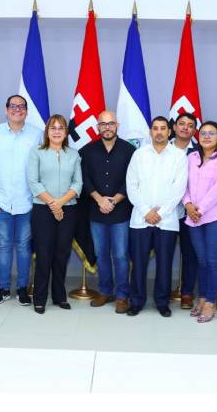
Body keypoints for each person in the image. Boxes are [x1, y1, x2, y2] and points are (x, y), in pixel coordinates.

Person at [126, 117, 188, 317]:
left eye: (163, 128)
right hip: (140, 219)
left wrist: (160, 214)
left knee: (164, 264)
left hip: (167, 220)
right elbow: (131, 186)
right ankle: (136, 301)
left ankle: (162, 302)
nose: (159, 132)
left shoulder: (179, 156)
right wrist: (146, 211)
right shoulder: (139, 154)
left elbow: (179, 189)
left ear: (169, 132)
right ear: (150, 132)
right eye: (155, 128)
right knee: (138, 263)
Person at [0, 95, 42, 306]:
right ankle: (3, 288)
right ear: (6, 109)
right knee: (5, 246)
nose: (17, 109)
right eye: (13, 106)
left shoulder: (37, 134)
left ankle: (23, 288)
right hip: (1, 201)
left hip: (27, 201)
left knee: (24, 246)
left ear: (26, 110)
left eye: (21, 106)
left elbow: (42, 167)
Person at [27, 114, 82, 314]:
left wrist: (60, 203)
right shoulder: (37, 153)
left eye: (61, 128)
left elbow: (78, 183)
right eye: (53, 128)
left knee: (61, 254)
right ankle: (40, 298)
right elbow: (34, 182)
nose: (57, 131)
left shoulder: (74, 155)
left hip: (68, 208)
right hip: (43, 210)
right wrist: (53, 203)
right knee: (43, 255)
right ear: (47, 132)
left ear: (66, 132)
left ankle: (59, 296)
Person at [81, 110, 135, 312]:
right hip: (97, 211)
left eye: (111, 123)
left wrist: (114, 200)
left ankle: (122, 295)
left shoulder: (130, 150)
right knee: (101, 254)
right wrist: (99, 199)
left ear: (117, 126)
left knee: (120, 255)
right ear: (98, 127)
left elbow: (133, 180)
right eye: (103, 124)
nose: (107, 127)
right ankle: (105, 291)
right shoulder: (87, 151)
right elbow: (84, 179)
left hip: (121, 212)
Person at [183, 121, 217, 323]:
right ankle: (203, 297)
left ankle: (211, 302)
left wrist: (200, 209)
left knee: (214, 260)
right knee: (202, 260)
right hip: (194, 216)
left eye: (211, 133)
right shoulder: (191, 157)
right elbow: (183, 184)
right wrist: (188, 204)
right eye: (203, 133)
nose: (206, 136)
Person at [170, 113, 198, 310]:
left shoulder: (199, 152)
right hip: (165, 211)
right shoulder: (162, 148)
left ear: (194, 130)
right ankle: (162, 290)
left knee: (190, 253)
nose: (185, 128)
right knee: (164, 253)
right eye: (181, 124)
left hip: (190, 212)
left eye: (190, 125)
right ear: (174, 127)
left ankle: (187, 292)